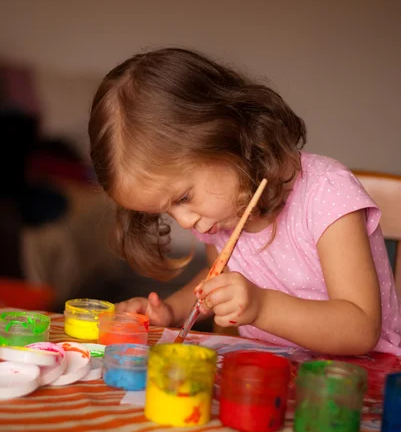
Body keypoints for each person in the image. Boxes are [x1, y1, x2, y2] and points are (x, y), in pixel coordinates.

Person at [88, 47, 401, 355]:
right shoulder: (219, 215)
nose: (184, 221)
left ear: (225, 135)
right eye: (167, 210)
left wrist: (262, 306)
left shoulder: (325, 194)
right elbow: (215, 280)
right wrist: (171, 312)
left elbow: (360, 329)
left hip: (358, 378)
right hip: (269, 373)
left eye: (183, 197)